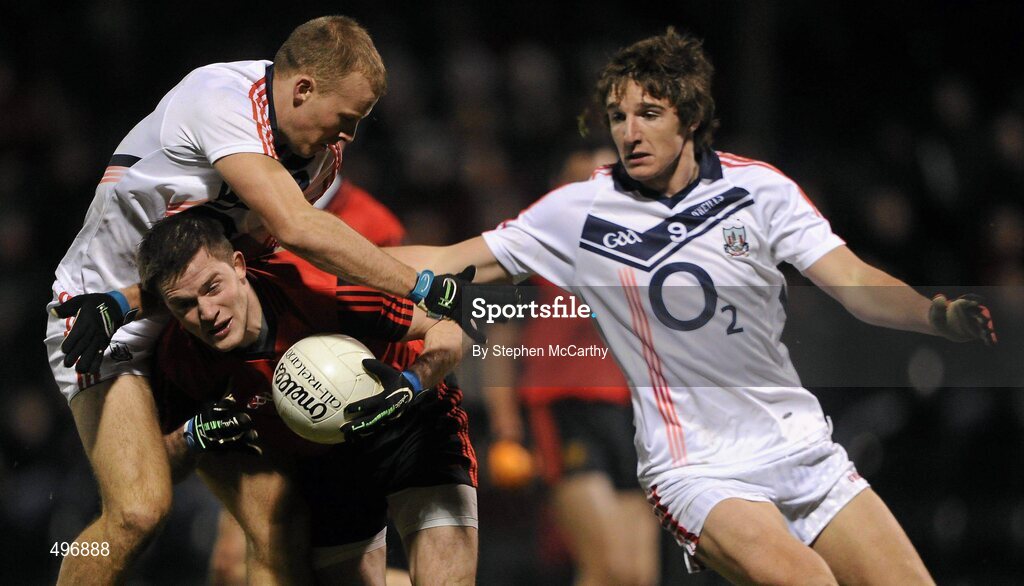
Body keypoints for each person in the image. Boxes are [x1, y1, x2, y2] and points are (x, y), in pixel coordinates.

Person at [388, 29, 996, 584]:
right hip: (698, 469)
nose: (629, 132)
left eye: (649, 114)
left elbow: (855, 282)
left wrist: (931, 314)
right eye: (619, 116)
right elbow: (448, 258)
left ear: (692, 118)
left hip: (804, 450)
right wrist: (321, 252)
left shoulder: (760, 189)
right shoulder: (577, 210)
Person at [43, 16, 483, 584]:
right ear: (302, 90)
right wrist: (420, 284)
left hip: (191, 320)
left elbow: (225, 266)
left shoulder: (320, 162)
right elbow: (295, 226)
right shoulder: (219, 97)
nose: (347, 136)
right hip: (100, 319)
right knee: (136, 512)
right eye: (345, 119)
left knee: (283, 532)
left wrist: (136, 301)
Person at [141, 211, 478, 585]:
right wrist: (192, 435)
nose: (206, 313)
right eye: (184, 305)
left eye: (212, 287)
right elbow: (154, 471)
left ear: (238, 266)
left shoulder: (322, 289)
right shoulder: (180, 358)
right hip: (325, 461)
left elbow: (452, 322)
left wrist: (412, 383)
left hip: (413, 423)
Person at [205, 178, 413, 585]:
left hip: (337, 425)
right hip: (261, 409)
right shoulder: (242, 204)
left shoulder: (370, 223)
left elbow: (391, 322)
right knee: (231, 563)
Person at [484, 148, 660, 586]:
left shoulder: (639, 252)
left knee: (638, 575)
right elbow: (500, 343)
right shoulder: (532, 248)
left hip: (630, 417)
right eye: (580, 182)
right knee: (607, 567)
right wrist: (507, 431)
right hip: (563, 409)